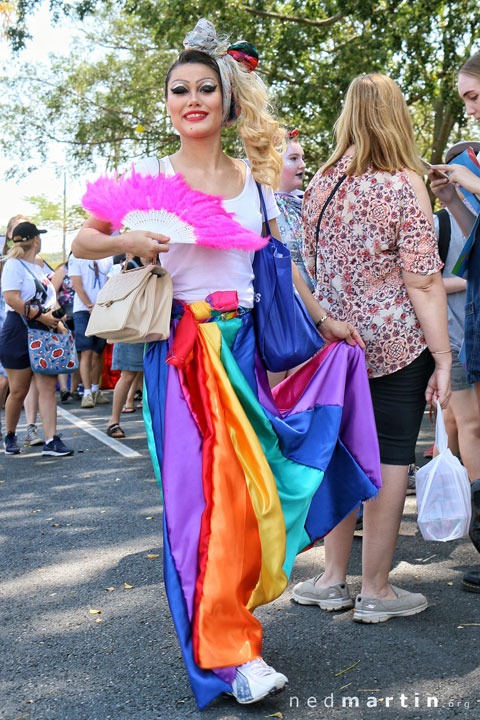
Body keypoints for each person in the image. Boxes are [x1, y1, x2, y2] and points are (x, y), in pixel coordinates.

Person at [72, 19, 381, 708]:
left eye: (205, 88)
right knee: (198, 506)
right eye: (179, 89)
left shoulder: (257, 185)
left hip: (242, 352)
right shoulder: (151, 178)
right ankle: (227, 658)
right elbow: (83, 239)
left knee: (247, 500)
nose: (191, 99)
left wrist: (328, 320)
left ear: (226, 98)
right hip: (180, 355)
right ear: (168, 103)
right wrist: (134, 238)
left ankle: (234, 630)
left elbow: (280, 266)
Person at [299, 74, 451, 623]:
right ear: (397, 115)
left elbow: (308, 264)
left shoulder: (321, 180)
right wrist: (444, 356)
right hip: (395, 341)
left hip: (335, 342)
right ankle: (377, 589)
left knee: (342, 453)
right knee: (388, 459)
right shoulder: (403, 183)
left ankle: (332, 579)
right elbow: (424, 281)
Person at [428, 53, 480, 593]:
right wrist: (452, 199)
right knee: (468, 427)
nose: (469, 110)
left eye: (474, 97)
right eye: (463, 99)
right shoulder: (448, 208)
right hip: (470, 332)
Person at [0, 221, 73, 456]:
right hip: (19, 330)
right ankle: (10, 434)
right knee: (19, 390)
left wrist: (58, 325)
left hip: (44, 330)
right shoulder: (13, 265)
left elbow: (49, 303)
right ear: (35, 240)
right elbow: (11, 299)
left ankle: (52, 440)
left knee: (48, 386)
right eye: (39, 237)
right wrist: (42, 318)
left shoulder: (39, 268)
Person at [105, 255, 146, 439]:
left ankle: (156, 423)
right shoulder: (129, 267)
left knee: (153, 375)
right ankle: (113, 421)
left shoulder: (161, 264)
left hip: (153, 327)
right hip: (131, 326)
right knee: (128, 375)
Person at [69, 254, 112, 408]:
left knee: (98, 351)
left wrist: (101, 305)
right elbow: (77, 285)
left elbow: (109, 282)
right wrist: (89, 305)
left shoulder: (107, 257)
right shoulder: (76, 257)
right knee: (86, 352)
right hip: (82, 310)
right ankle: (86, 392)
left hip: (102, 309)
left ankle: (95, 389)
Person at [275, 129, 312, 289]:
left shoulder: (309, 202)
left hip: (319, 300)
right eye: (293, 158)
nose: (302, 165)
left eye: (302, 158)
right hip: (284, 301)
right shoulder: (261, 207)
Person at [51, 255, 81, 402]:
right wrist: (59, 313)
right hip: (64, 316)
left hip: (78, 314)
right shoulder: (62, 270)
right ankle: (63, 388)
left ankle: (74, 388)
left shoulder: (82, 270)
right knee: (62, 351)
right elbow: (52, 293)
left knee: (77, 352)